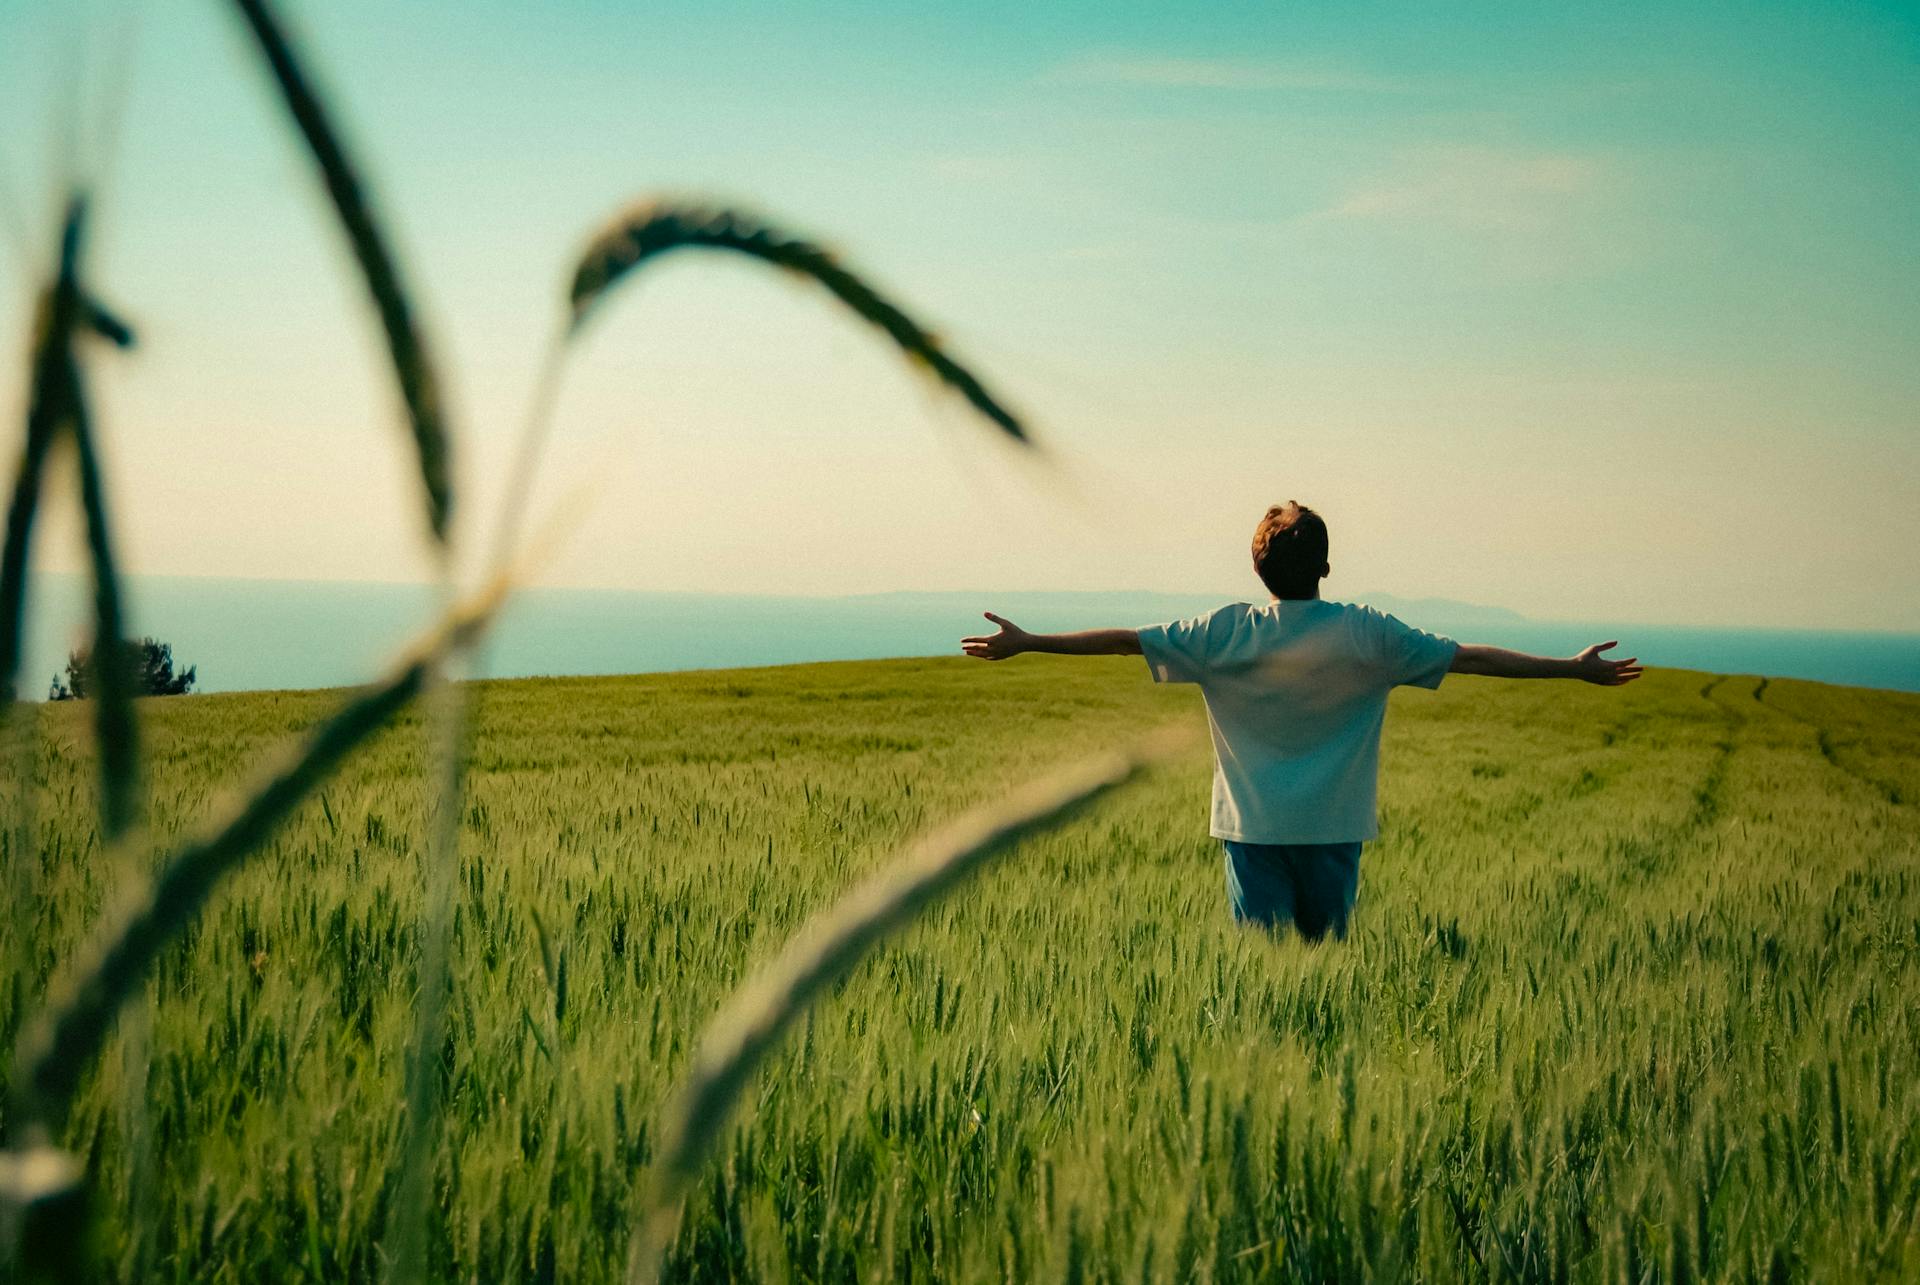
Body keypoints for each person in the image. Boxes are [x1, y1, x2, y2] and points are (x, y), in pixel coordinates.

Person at [960, 501, 1641, 942]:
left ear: (1257, 567)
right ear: (1324, 566)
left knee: (1266, 979)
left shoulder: (1224, 632)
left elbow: (1123, 640)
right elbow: (1470, 657)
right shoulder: (1367, 633)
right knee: (1325, 970)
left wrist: (1030, 640)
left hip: (1251, 832)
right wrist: (1572, 666)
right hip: (1335, 828)